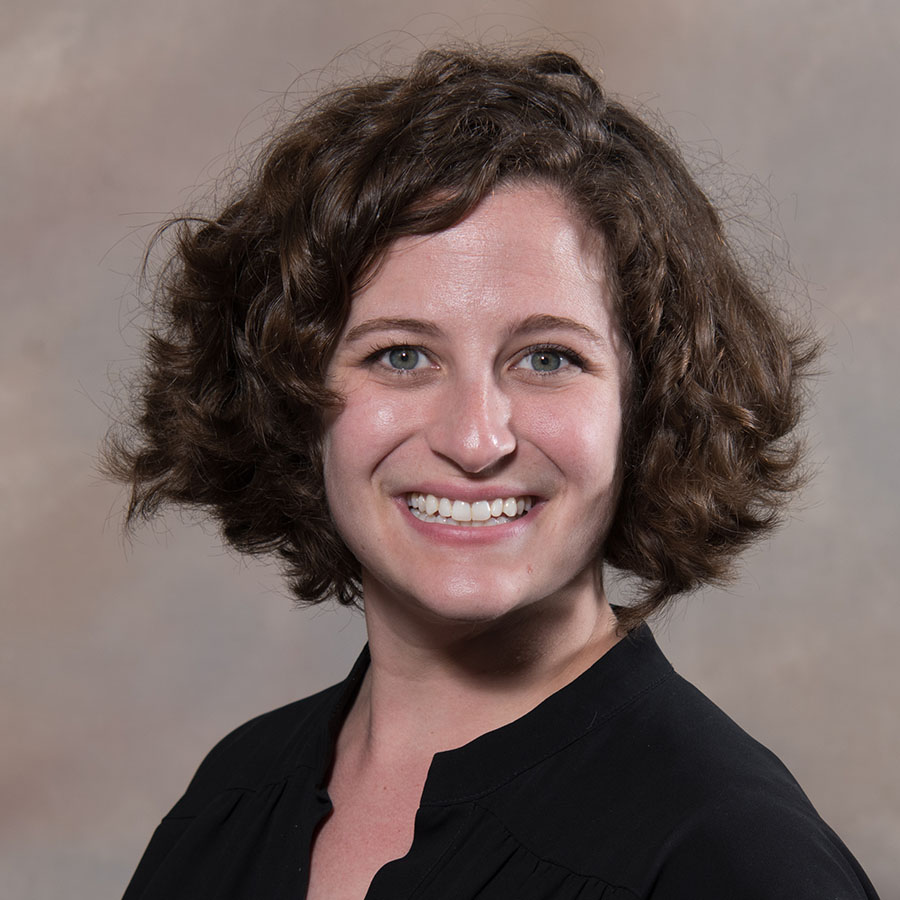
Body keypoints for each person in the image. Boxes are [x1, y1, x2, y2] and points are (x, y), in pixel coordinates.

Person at [108, 46, 880, 899]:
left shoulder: (733, 859)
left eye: (547, 358)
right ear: (290, 394)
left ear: (650, 406)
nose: (475, 441)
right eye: (401, 355)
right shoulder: (231, 798)